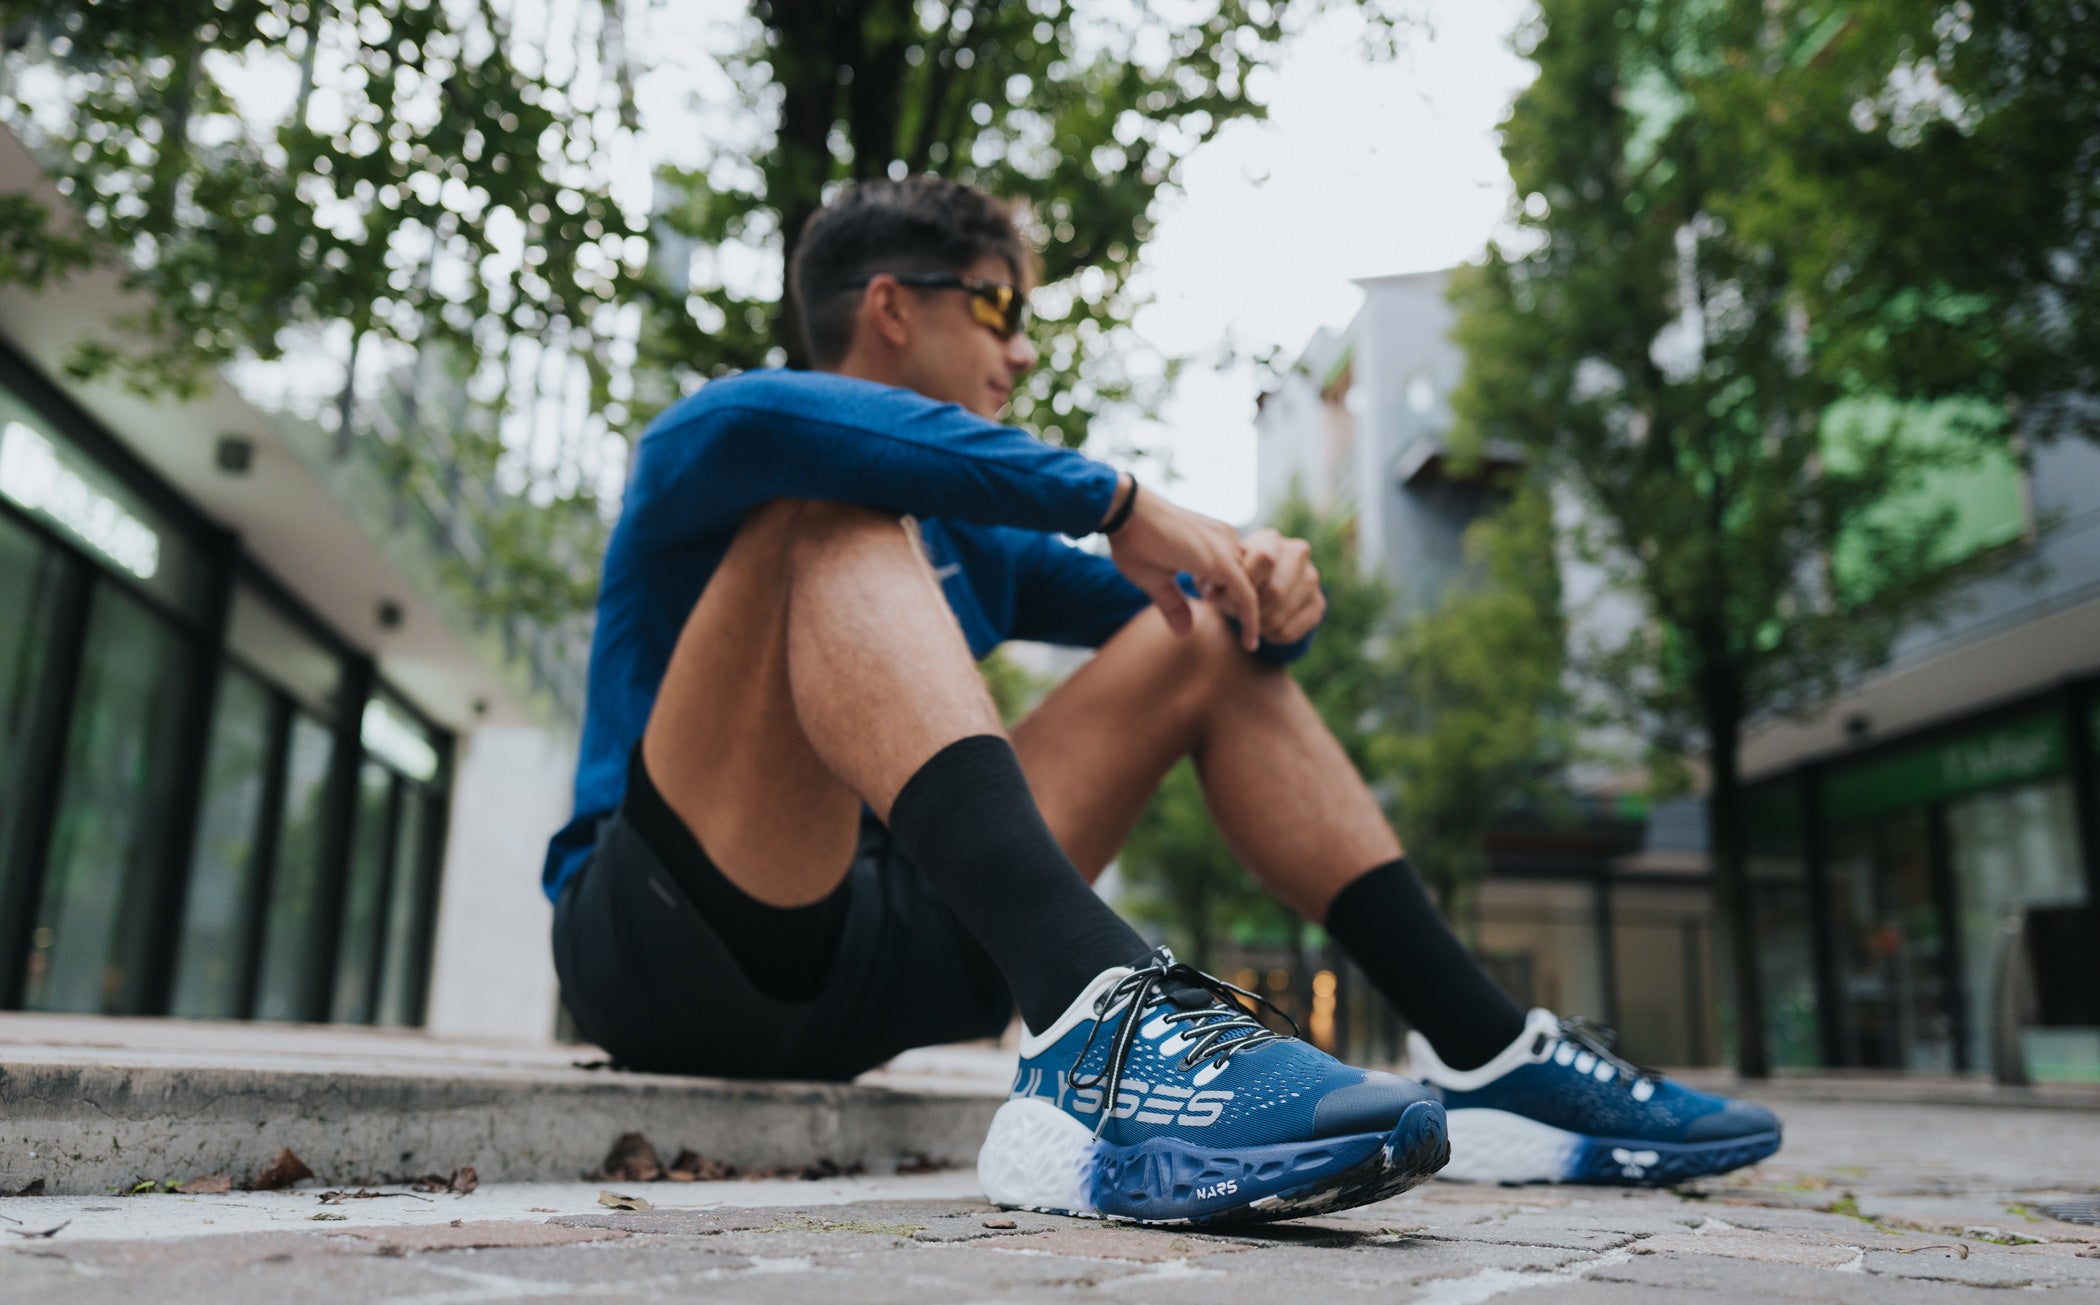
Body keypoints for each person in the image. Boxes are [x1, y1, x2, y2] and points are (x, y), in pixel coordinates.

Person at [545, 177, 1780, 1223]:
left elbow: (1207, 629)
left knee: (1193, 642)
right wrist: (1118, 501)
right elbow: (770, 425)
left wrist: (1267, 588)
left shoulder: (979, 547)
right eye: (997, 306)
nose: (1024, 349)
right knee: (826, 501)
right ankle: (1095, 1020)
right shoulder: (720, 446)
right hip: (668, 944)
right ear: (890, 307)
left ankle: (1487, 1053)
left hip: (892, 955)